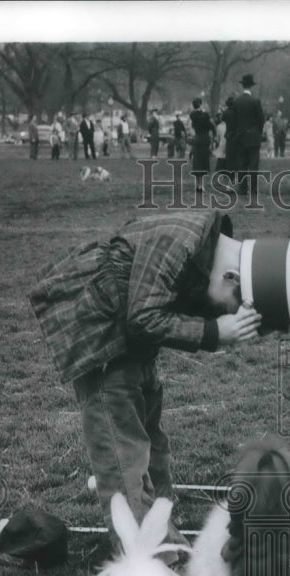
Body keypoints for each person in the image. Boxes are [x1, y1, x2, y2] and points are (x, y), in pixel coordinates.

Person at [29, 210, 262, 556]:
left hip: (134, 347)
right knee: (124, 458)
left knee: (153, 448)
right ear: (231, 275)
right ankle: (147, 561)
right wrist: (214, 331)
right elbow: (143, 316)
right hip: (105, 344)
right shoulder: (179, 243)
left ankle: (162, 539)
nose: (224, 314)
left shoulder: (204, 246)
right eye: (231, 306)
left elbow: (166, 305)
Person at [232, 73, 265, 194]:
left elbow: (234, 120)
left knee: (242, 164)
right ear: (251, 86)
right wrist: (258, 132)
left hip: (240, 136)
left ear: (243, 86)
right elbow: (261, 119)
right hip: (253, 136)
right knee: (253, 165)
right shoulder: (255, 101)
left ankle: (242, 188)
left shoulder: (236, 102)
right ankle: (254, 188)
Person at [189, 98, 216, 193]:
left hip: (197, 139)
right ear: (200, 105)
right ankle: (202, 185)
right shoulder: (205, 116)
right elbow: (211, 126)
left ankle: (197, 185)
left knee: (197, 162)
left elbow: (194, 116)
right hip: (204, 139)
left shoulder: (193, 115)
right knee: (203, 162)